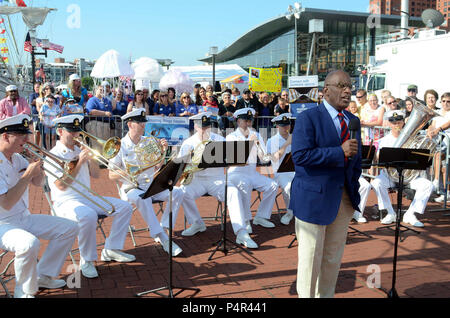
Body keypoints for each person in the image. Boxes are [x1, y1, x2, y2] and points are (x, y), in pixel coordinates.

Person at [290, 70, 361, 298]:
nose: (348, 90)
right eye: (341, 85)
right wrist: (338, 152)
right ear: (325, 91)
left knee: (332, 259)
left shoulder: (353, 121)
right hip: (313, 200)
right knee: (311, 259)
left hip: (343, 200)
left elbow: (355, 161)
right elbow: (300, 156)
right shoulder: (308, 118)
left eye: (350, 85)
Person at [44, 115, 136, 279]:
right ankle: (86, 260)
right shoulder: (53, 154)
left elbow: (96, 175)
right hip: (65, 201)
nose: (76, 135)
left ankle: (111, 249)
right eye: (71, 132)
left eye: (77, 132)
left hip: (86, 197)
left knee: (125, 207)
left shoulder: (80, 149)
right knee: (88, 215)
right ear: (59, 131)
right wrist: (79, 162)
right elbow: (61, 185)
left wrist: (91, 156)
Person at [0, 114, 79, 298]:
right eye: (21, 135)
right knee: (29, 244)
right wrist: (27, 174)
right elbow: (6, 203)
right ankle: (23, 290)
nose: (27, 139)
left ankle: (43, 275)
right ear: (5, 136)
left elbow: (37, 182)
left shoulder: (17, 158)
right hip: (3, 224)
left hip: (23, 218)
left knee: (70, 228)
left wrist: (38, 166)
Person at [108, 109, 183, 256]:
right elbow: (111, 174)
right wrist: (129, 173)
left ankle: (164, 226)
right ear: (130, 124)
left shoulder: (148, 141)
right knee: (144, 198)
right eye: (140, 122)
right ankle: (162, 238)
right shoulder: (120, 145)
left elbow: (157, 166)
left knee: (178, 192)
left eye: (144, 122)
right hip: (131, 188)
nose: (144, 125)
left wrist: (163, 151)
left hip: (150, 185)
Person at [177, 112, 257, 248]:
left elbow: (232, 158)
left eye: (208, 126)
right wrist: (188, 160)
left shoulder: (219, 139)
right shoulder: (188, 143)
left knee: (233, 192)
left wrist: (240, 158)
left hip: (217, 179)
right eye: (202, 127)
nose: (205, 129)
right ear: (196, 126)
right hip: (197, 180)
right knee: (182, 191)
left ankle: (241, 232)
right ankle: (197, 223)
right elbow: (180, 167)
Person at [371, 110, 433, 227]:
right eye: (393, 122)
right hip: (390, 176)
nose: (396, 125)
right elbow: (378, 159)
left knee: (428, 185)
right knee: (376, 183)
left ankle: (410, 213)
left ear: (403, 122)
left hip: (409, 177)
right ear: (389, 123)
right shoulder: (383, 141)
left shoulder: (413, 138)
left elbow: (421, 159)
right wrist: (378, 156)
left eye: (399, 122)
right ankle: (390, 212)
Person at [226, 108, 278, 232]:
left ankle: (261, 216)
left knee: (272, 185)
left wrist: (260, 146)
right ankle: (245, 220)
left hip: (252, 172)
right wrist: (249, 142)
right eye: (246, 121)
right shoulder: (231, 137)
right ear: (238, 121)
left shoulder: (257, 135)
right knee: (245, 184)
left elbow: (264, 159)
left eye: (250, 121)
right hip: (236, 172)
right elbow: (235, 159)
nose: (249, 124)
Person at [266, 114, 294, 225]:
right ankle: (290, 212)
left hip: (296, 170)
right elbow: (274, 158)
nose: (285, 128)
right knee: (289, 187)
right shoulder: (272, 141)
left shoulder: (295, 137)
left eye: (287, 125)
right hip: (281, 172)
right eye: (282, 126)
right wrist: (287, 144)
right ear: (277, 126)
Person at [427, 92, 450, 201]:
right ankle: (444, 192)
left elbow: (448, 124)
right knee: (443, 167)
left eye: (448, 101)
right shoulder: (438, 112)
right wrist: (430, 131)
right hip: (438, 142)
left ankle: (436, 182)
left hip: (447, 142)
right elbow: (432, 125)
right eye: (443, 101)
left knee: (444, 164)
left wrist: (438, 130)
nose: (445, 103)